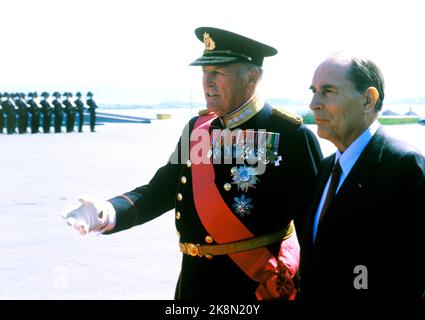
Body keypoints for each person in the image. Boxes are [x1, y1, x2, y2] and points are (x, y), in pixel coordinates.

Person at [63, 27, 323, 300]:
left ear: (252, 77)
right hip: (194, 286)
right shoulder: (198, 129)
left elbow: (314, 228)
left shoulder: (290, 136)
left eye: (218, 73)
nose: (207, 82)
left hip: (253, 288)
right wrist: (107, 212)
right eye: (204, 72)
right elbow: (160, 190)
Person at [299, 53, 425, 300]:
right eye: (313, 91)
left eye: (328, 91)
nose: (313, 103)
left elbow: (412, 280)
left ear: (368, 100)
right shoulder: (327, 168)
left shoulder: (403, 166)